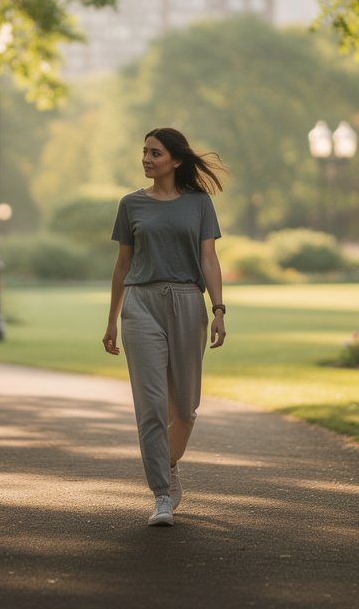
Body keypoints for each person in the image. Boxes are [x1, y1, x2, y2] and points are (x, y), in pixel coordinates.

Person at [103, 127, 227, 527]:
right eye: (144, 152)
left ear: (175, 160)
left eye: (154, 153)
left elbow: (208, 259)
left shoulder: (199, 204)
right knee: (152, 405)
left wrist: (219, 308)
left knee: (185, 410)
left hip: (188, 302)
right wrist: (111, 320)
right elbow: (123, 265)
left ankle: (169, 462)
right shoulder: (131, 204)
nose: (146, 159)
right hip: (141, 305)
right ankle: (160, 493)